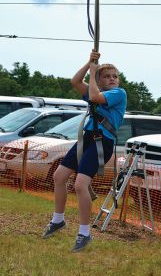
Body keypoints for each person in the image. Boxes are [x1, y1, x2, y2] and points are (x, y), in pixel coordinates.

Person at [42, 50, 127, 252]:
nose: (112, 79)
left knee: (81, 185)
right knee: (59, 176)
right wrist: (90, 63)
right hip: (87, 139)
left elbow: (95, 96)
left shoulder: (118, 94)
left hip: (102, 142)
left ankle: (84, 233)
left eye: (115, 76)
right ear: (99, 79)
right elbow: (75, 81)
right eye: (106, 76)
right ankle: (58, 220)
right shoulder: (94, 91)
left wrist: (94, 71)